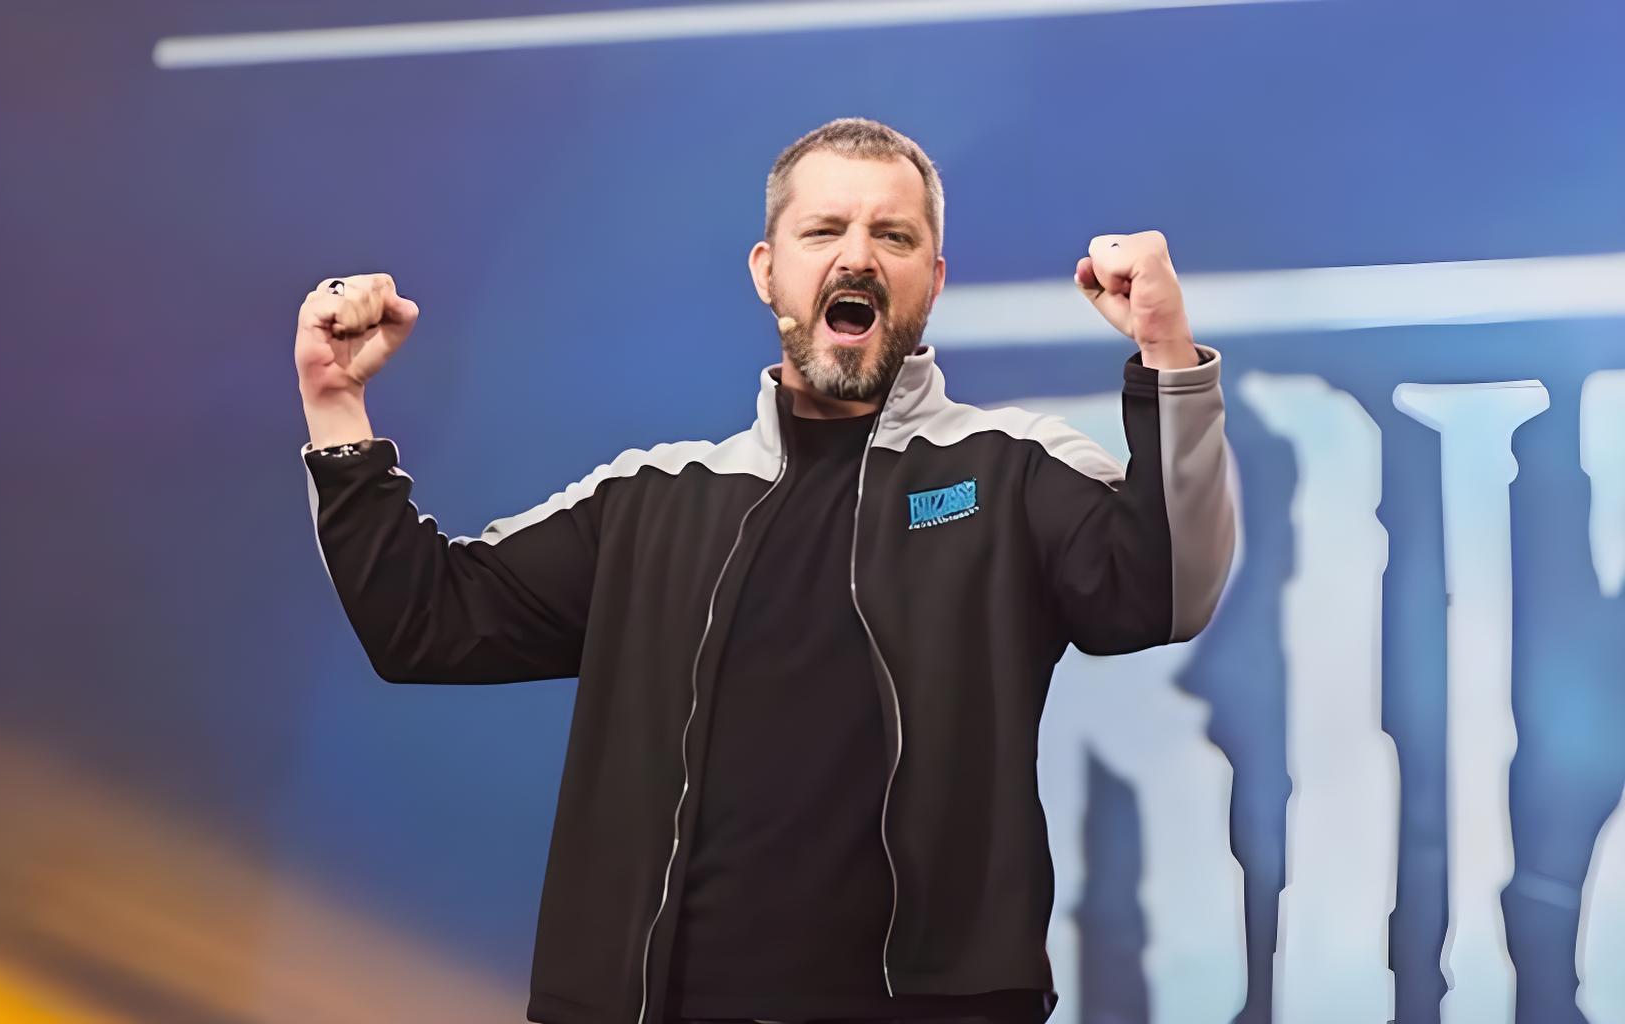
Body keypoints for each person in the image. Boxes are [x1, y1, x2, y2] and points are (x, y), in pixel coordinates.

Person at [294, 117, 1235, 1024]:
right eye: (823, 230)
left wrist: (1167, 353)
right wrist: (336, 406)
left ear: (934, 279)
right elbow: (425, 622)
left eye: (894, 235)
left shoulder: (1012, 469)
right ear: (766, 270)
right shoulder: (652, 500)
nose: (858, 257)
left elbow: (1165, 591)